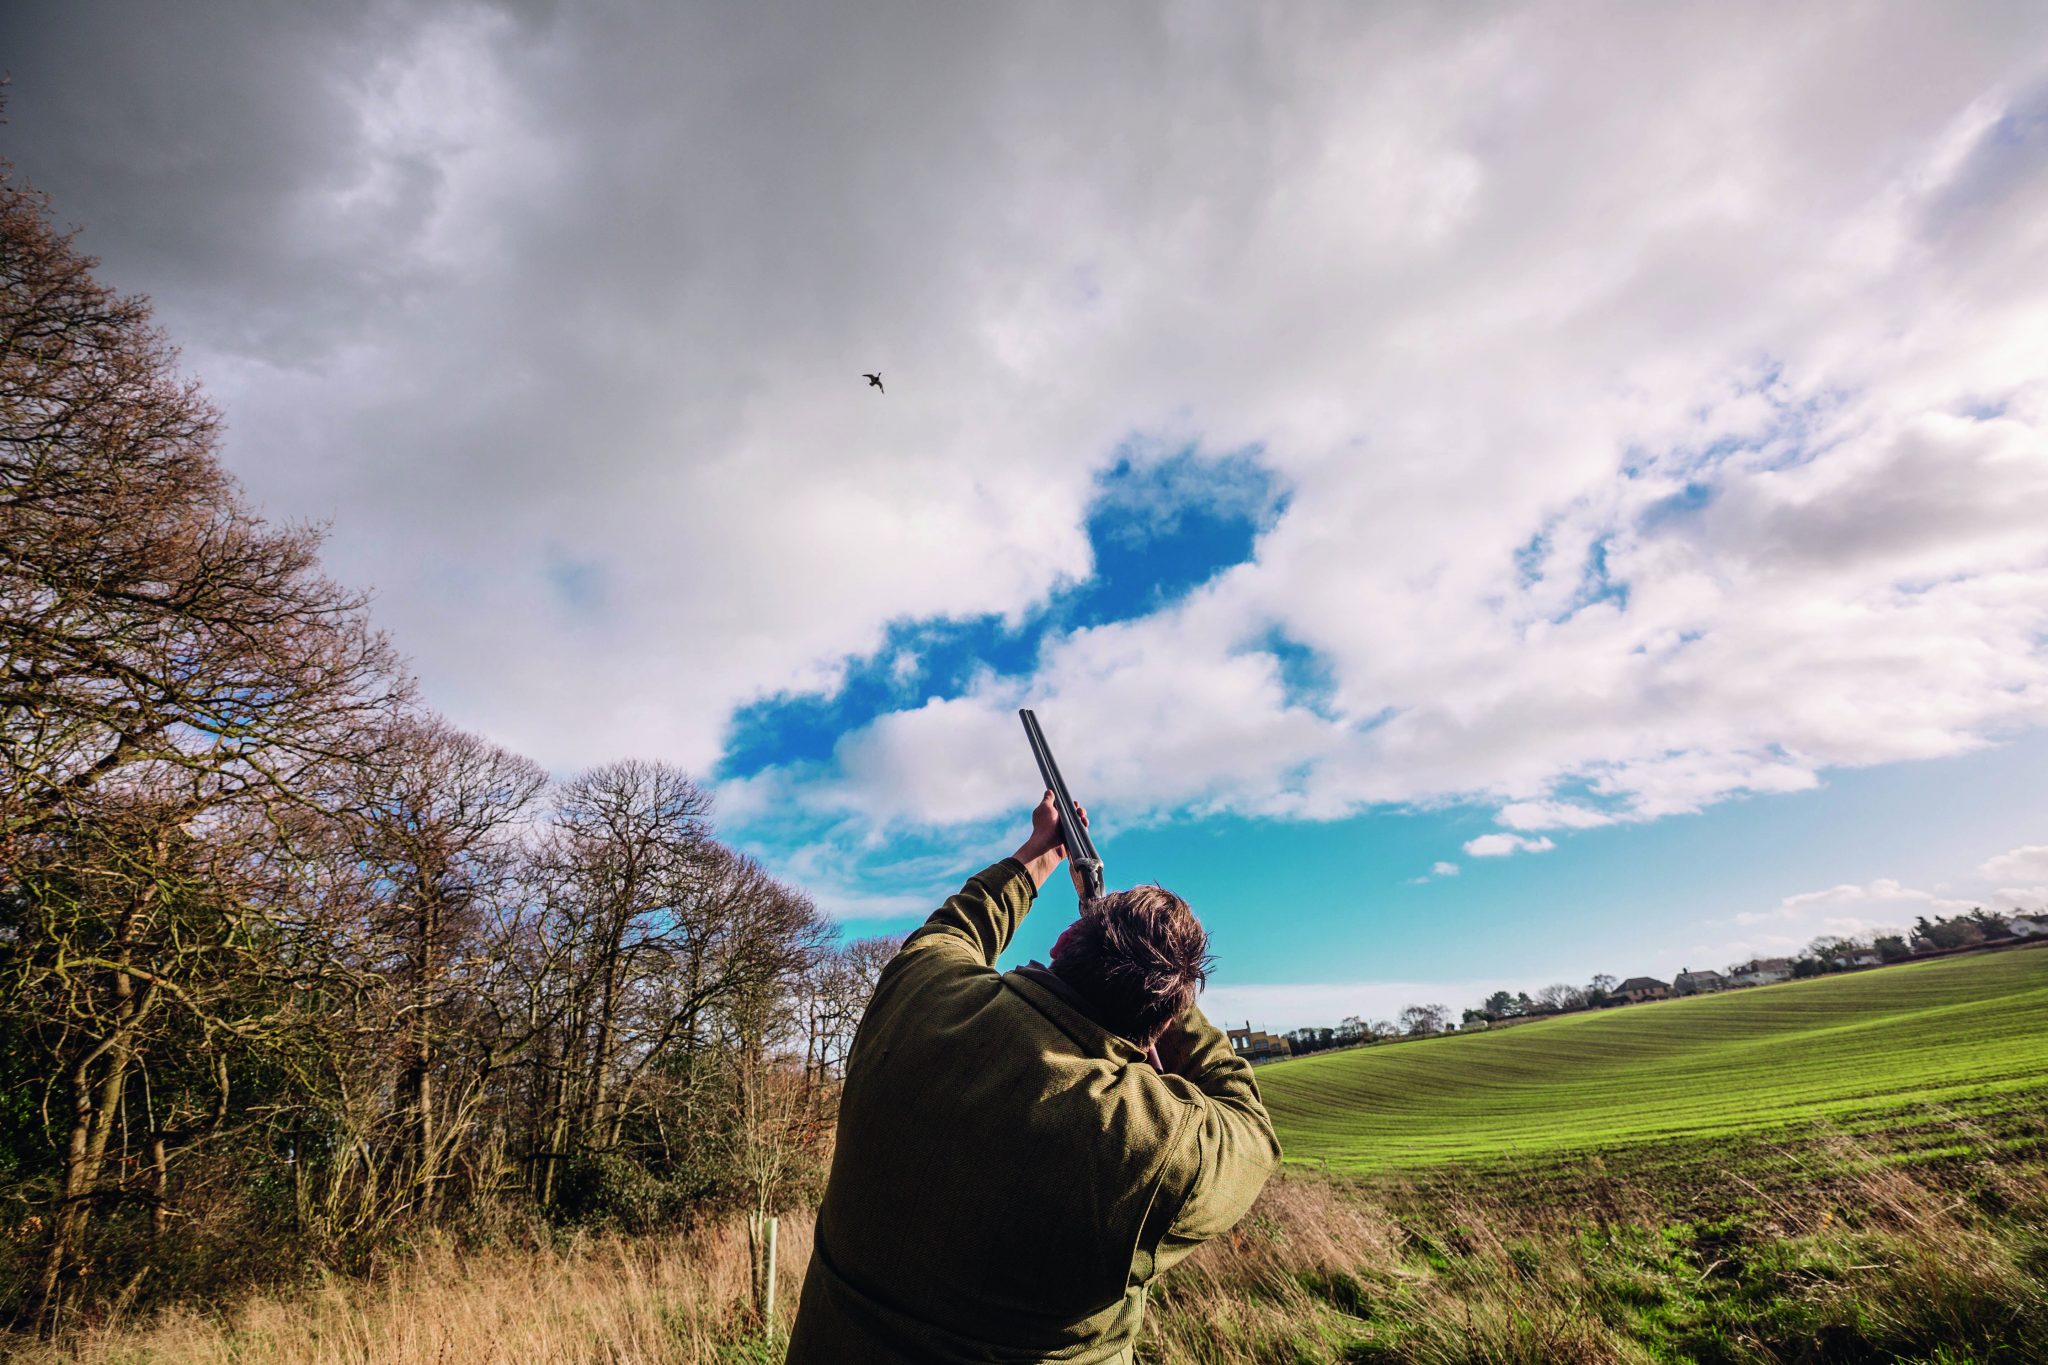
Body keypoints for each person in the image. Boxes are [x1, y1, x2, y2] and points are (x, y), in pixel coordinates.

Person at [785, 792, 1280, 1364]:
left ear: (1062, 943)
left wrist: (1040, 852)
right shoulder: (1159, 1143)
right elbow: (1249, 1123)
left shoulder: (920, 997)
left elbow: (955, 928)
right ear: (1162, 1023)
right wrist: (1173, 1001)